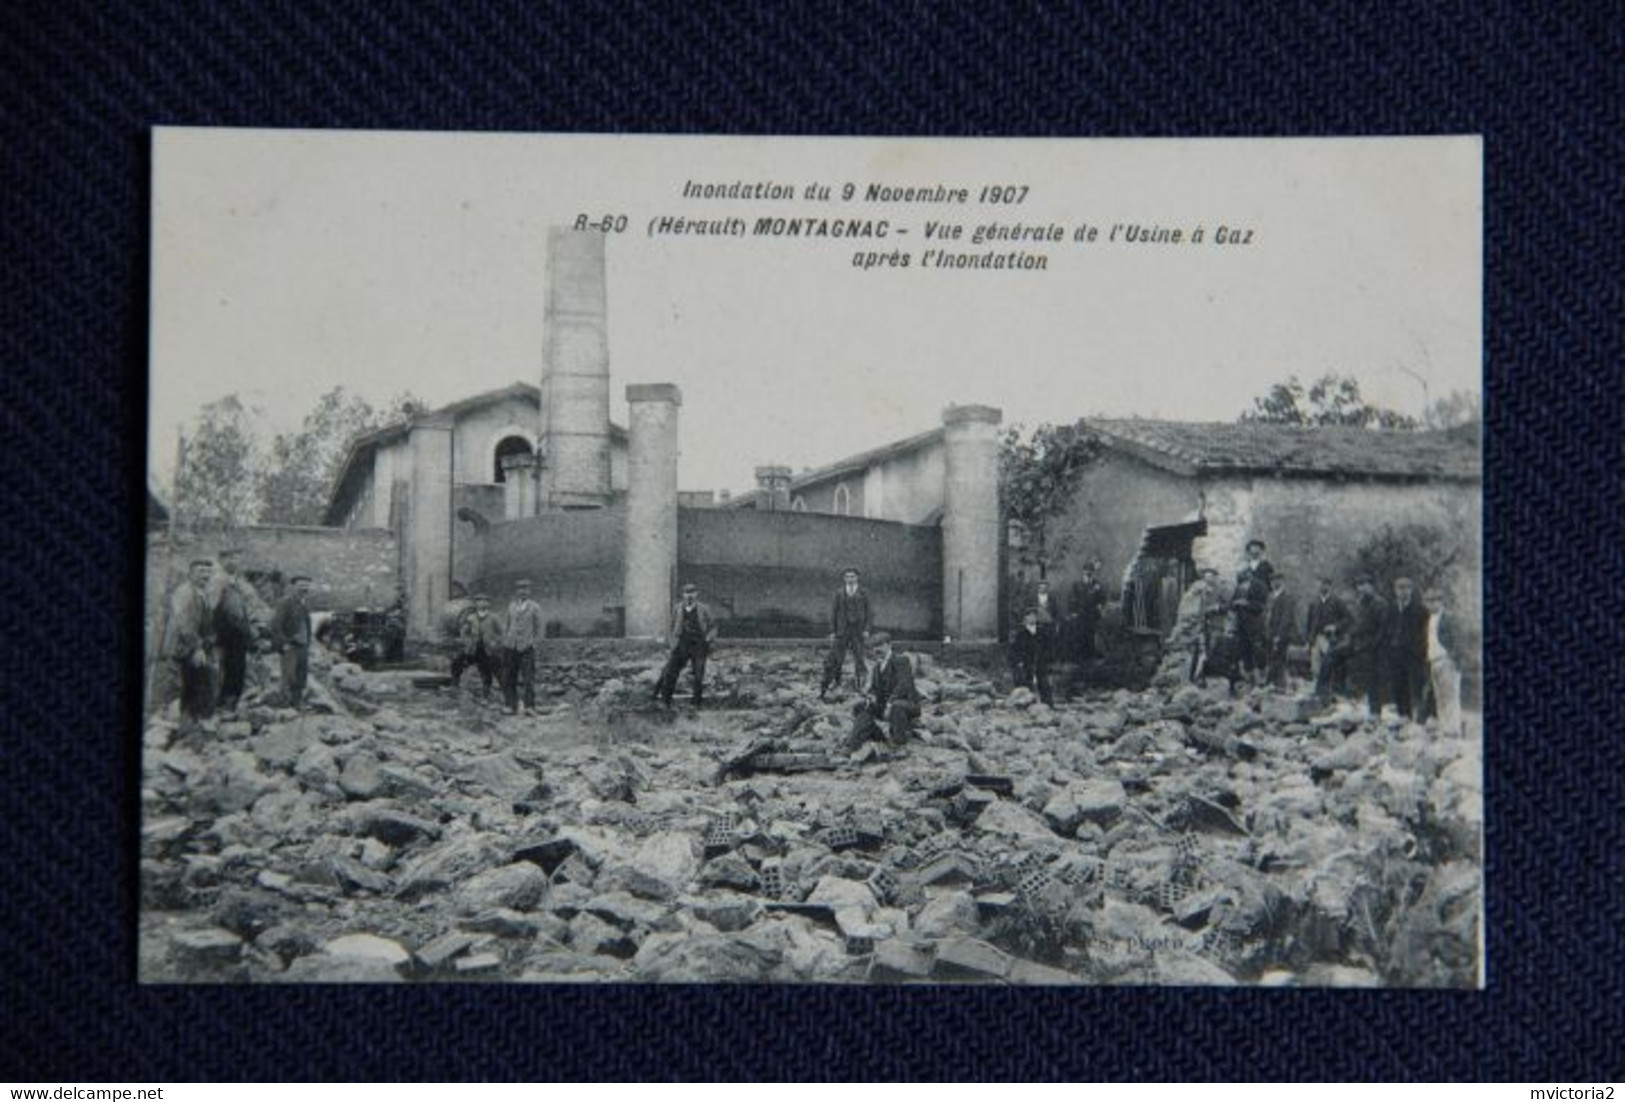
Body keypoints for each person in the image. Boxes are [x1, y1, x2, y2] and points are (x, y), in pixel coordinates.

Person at [163, 559, 218, 733]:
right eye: (201, 571)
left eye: (208, 572)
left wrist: (209, 641)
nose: (205, 575)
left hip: (193, 647)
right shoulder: (184, 592)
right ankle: (185, 728)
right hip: (182, 649)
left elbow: (205, 623)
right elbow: (185, 623)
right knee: (185, 688)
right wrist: (196, 648)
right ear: (191, 573)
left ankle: (194, 725)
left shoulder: (202, 593)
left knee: (200, 683)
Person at [656, 582, 717, 707]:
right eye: (687, 593)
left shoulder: (704, 609)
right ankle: (665, 701)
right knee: (671, 671)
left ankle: (696, 704)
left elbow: (713, 626)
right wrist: (672, 643)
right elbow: (671, 627)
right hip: (682, 643)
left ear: (697, 594)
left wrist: (708, 639)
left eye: (692, 593)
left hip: (699, 644)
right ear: (683, 595)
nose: (690, 596)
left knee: (698, 674)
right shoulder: (677, 608)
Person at [210, 547, 254, 714]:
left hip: (238, 634)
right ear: (221, 561)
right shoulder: (217, 581)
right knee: (224, 668)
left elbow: (242, 611)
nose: (233, 561)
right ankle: (221, 703)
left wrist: (248, 632)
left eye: (236, 558)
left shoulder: (237, 582)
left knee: (237, 668)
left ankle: (231, 703)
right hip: (224, 634)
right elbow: (212, 609)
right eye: (228, 558)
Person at [819, 568, 870, 699]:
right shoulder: (839, 593)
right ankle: (837, 682)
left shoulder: (864, 593)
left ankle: (860, 684)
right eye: (847, 576)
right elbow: (834, 613)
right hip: (842, 630)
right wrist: (832, 631)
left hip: (857, 630)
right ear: (844, 578)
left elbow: (870, 613)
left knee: (859, 657)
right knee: (837, 658)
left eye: (852, 576)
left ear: (857, 578)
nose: (850, 579)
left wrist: (866, 629)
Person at [1231, 539, 1275, 684]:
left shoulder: (1266, 567)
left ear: (1261, 551)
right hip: (1244, 614)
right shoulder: (1244, 569)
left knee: (1259, 644)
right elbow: (1237, 593)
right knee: (1244, 645)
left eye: (1257, 549)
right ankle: (1248, 676)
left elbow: (1270, 589)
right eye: (1252, 549)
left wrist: (1264, 605)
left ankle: (1262, 676)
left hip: (1258, 610)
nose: (1254, 551)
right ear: (1248, 551)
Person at [1386, 577, 1430, 719]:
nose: (1402, 592)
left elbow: (1425, 634)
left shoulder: (1420, 610)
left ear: (1411, 590)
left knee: (1416, 688)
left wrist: (1419, 651)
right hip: (1395, 654)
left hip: (1413, 656)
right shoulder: (1391, 608)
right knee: (1399, 687)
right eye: (1399, 588)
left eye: (1406, 588)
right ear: (1395, 591)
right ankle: (1403, 718)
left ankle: (1419, 721)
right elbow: (1387, 629)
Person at [1423, 585, 1463, 736]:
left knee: (1450, 698)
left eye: (1435, 600)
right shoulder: (1429, 620)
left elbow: (1457, 640)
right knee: (1439, 698)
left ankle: (1453, 730)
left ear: (1441, 601)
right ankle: (1444, 730)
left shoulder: (1448, 618)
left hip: (1446, 660)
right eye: (1428, 601)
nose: (1431, 604)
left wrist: (1454, 660)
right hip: (1433, 661)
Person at [866, 632, 920, 745]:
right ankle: (864, 738)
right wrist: (871, 696)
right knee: (860, 706)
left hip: (907, 704)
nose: (877, 649)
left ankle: (899, 741)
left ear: (889, 645)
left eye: (880, 645)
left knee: (897, 706)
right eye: (875, 647)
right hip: (886, 705)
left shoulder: (901, 660)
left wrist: (889, 703)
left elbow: (903, 685)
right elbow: (873, 688)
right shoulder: (877, 667)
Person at [501, 579, 546, 715]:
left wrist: (534, 643)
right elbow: (506, 625)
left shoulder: (535, 607)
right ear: (517, 591)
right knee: (510, 677)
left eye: (525, 589)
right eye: (520, 589)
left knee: (528, 678)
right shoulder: (511, 606)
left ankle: (529, 707)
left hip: (527, 647)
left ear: (529, 591)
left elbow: (540, 628)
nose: (523, 592)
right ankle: (511, 705)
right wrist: (506, 640)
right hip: (511, 646)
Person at [1305, 575, 1352, 702]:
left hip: (1330, 639)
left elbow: (1348, 618)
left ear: (1329, 586)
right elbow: (1309, 623)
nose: (1321, 587)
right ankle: (1319, 694)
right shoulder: (1314, 602)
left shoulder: (1337, 601)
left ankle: (1332, 694)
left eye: (1324, 584)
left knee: (1330, 665)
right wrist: (1308, 640)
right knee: (1316, 667)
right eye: (1319, 584)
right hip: (1316, 638)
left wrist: (1335, 627)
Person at [1347, 576, 1390, 717]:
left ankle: (1376, 711)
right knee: (1364, 679)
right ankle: (1368, 709)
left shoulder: (1380, 604)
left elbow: (1383, 629)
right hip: (1362, 648)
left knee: (1375, 680)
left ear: (1371, 586)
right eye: (1359, 585)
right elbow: (1356, 625)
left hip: (1376, 649)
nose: (1361, 588)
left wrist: (1373, 645)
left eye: (1364, 585)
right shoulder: (1360, 604)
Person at [270, 574, 313, 711]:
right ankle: (285, 707)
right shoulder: (285, 603)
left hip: (303, 646)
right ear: (293, 586)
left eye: (306, 586)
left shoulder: (304, 603)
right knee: (289, 676)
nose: (304, 588)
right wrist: (284, 644)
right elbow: (276, 625)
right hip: (291, 646)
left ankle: (297, 704)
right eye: (301, 585)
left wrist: (307, 644)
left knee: (301, 676)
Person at [452, 593, 501, 697]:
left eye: (485, 601)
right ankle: (455, 685)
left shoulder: (493, 617)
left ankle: (489, 692)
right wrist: (466, 641)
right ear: (476, 604)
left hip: (487, 649)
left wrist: (495, 642)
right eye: (479, 601)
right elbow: (464, 632)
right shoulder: (471, 618)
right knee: (457, 662)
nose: (482, 603)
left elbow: (501, 632)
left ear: (488, 604)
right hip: (473, 649)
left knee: (488, 669)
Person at [1263, 572, 1299, 689]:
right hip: (1270, 633)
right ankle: (1275, 684)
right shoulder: (1270, 597)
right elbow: (1267, 615)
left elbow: (1286, 618)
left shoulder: (1287, 597)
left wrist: (1279, 635)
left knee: (1279, 658)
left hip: (1282, 634)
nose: (1274, 583)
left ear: (1282, 581)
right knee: (1271, 658)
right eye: (1272, 581)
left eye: (1276, 580)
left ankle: (1277, 683)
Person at [1010, 607, 1052, 703]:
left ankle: (1048, 704)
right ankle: (1028, 704)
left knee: (1044, 684)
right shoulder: (1020, 635)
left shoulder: (1042, 633)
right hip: (1026, 664)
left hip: (1040, 663)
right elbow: (1016, 650)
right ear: (1025, 619)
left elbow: (1047, 648)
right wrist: (1019, 662)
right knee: (1027, 685)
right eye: (1029, 616)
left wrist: (1046, 658)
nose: (1032, 618)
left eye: (1034, 616)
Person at [1068, 561, 1106, 661]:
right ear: (1083, 572)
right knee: (1080, 634)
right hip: (1081, 613)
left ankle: (1091, 653)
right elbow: (1072, 598)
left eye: (1090, 570)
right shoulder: (1077, 584)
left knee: (1091, 633)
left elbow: (1102, 598)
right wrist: (1073, 611)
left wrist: (1100, 605)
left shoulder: (1097, 584)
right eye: (1086, 570)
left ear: (1093, 572)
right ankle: (1080, 654)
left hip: (1092, 614)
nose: (1088, 572)